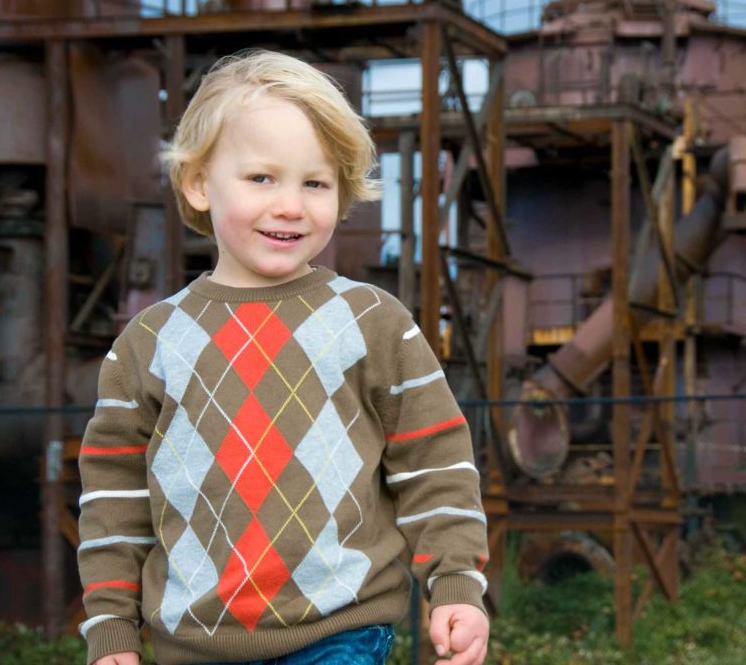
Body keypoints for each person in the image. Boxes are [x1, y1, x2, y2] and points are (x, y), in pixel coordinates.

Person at [77, 49, 490, 665]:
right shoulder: (148, 343)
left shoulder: (374, 323)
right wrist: (111, 627)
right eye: (261, 178)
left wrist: (456, 584)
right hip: (192, 643)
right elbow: (114, 501)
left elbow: (435, 465)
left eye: (315, 183)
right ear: (197, 181)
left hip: (339, 631)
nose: (291, 205)